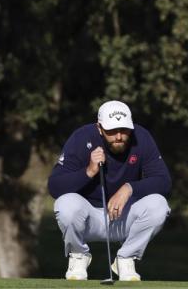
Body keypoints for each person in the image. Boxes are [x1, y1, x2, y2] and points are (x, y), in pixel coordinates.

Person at [48, 100, 172, 281]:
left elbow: (164, 182)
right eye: (112, 131)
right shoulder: (82, 138)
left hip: (123, 216)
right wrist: (89, 171)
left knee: (159, 205)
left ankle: (126, 258)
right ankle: (78, 255)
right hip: (87, 219)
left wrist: (129, 188)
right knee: (66, 204)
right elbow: (55, 186)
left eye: (124, 130)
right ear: (99, 128)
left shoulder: (142, 138)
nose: (119, 136)